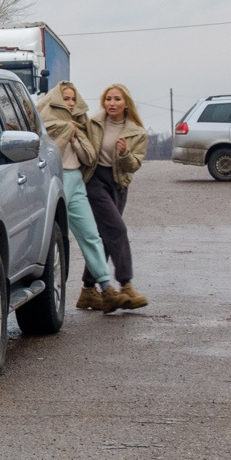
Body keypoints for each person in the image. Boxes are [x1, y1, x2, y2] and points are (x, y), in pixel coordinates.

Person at [37, 82, 114, 301]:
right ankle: (48, 295)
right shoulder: (46, 120)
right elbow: (45, 147)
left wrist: (75, 138)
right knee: (52, 238)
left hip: (76, 180)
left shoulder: (80, 123)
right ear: (57, 100)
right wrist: (64, 129)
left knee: (91, 235)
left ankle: (106, 285)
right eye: (66, 99)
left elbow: (89, 157)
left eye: (73, 98)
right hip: (54, 181)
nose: (70, 103)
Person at [81, 83, 149, 312]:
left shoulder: (137, 132)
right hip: (95, 181)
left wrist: (124, 153)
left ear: (126, 103)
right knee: (117, 230)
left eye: (117, 99)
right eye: (108, 99)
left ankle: (88, 290)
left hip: (119, 184)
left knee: (106, 235)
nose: (112, 103)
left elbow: (134, 165)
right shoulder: (93, 124)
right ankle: (126, 284)